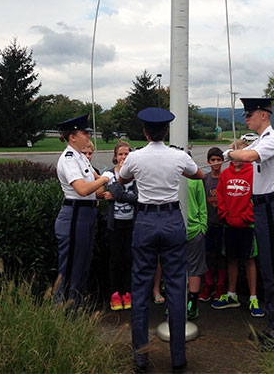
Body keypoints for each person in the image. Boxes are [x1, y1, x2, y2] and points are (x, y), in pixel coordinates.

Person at [119, 107, 204, 374]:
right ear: (165, 131)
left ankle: (141, 357)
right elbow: (198, 175)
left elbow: (122, 179)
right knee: (176, 288)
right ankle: (178, 359)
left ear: (145, 132)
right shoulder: (178, 156)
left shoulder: (134, 157)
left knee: (141, 289)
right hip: (171, 221)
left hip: (145, 221)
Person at [224, 97, 274, 348]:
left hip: (271, 208)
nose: (246, 118)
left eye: (250, 114)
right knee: (268, 269)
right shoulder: (262, 139)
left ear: (264, 114)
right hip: (263, 209)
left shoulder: (271, 140)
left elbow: (250, 156)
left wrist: (228, 153)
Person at [54, 114, 109, 309]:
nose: (88, 135)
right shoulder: (69, 159)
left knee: (83, 263)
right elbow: (83, 189)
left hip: (86, 214)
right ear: (72, 137)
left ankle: (75, 304)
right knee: (70, 266)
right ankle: (62, 308)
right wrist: (104, 178)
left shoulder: (81, 158)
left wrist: (103, 180)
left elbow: (99, 191)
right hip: (74, 214)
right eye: (84, 132)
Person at [211, 142, 264, 318]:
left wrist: (245, 218)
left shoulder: (253, 173)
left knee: (249, 260)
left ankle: (253, 297)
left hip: (247, 225)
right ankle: (232, 294)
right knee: (231, 259)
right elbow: (220, 196)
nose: (234, 158)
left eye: (238, 154)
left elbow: (254, 197)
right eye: (232, 154)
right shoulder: (225, 174)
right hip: (229, 224)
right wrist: (225, 216)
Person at [102, 140, 138, 311]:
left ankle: (127, 291)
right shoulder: (109, 174)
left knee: (129, 259)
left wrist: (117, 196)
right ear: (115, 157)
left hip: (131, 223)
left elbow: (137, 197)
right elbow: (115, 190)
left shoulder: (136, 175)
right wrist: (120, 194)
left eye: (127, 154)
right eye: (121, 154)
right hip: (115, 224)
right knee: (115, 259)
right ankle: (115, 293)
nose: (124, 157)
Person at [199, 147, 227, 302]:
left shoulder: (226, 177)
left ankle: (221, 285)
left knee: (222, 255)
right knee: (207, 254)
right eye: (213, 160)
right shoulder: (205, 179)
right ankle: (209, 284)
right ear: (208, 162)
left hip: (223, 222)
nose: (216, 163)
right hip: (208, 223)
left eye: (219, 160)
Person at [186, 177, 208, 320]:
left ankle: (192, 303)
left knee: (194, 268)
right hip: (173, 230)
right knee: (174, 269)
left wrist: (202, 228)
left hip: (193, 230)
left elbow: (202, 203)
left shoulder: (194, 178)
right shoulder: (168, 174)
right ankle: (175, 304)